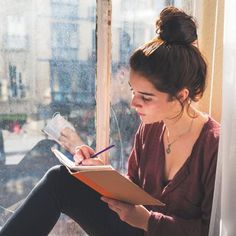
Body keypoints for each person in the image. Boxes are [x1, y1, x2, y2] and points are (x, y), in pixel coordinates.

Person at [0, 6, 220, 236]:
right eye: (133, 91)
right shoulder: (150, 129)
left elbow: (211, 230)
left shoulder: (213, 145)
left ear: (181, 96)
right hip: (134, 229)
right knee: (60, 179)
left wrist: (148, 221)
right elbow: (133, 189)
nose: (134, 102)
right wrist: (100, 175)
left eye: (146, 97)